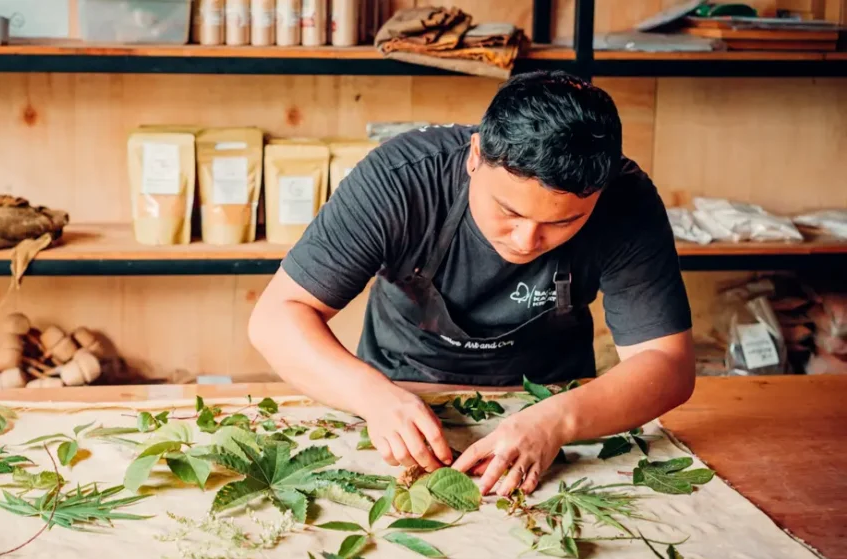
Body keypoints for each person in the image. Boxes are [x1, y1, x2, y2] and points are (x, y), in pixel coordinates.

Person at [248, 71, 695, 497]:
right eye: (509, 212)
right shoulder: (401, 179)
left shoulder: (627, 201)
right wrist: (373, 397)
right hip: (402, 389)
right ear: (475, 154)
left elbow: (667, 365)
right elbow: (276, 318)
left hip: (551, 400)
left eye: (562, 223)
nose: (527, 241)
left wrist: (556, 421)